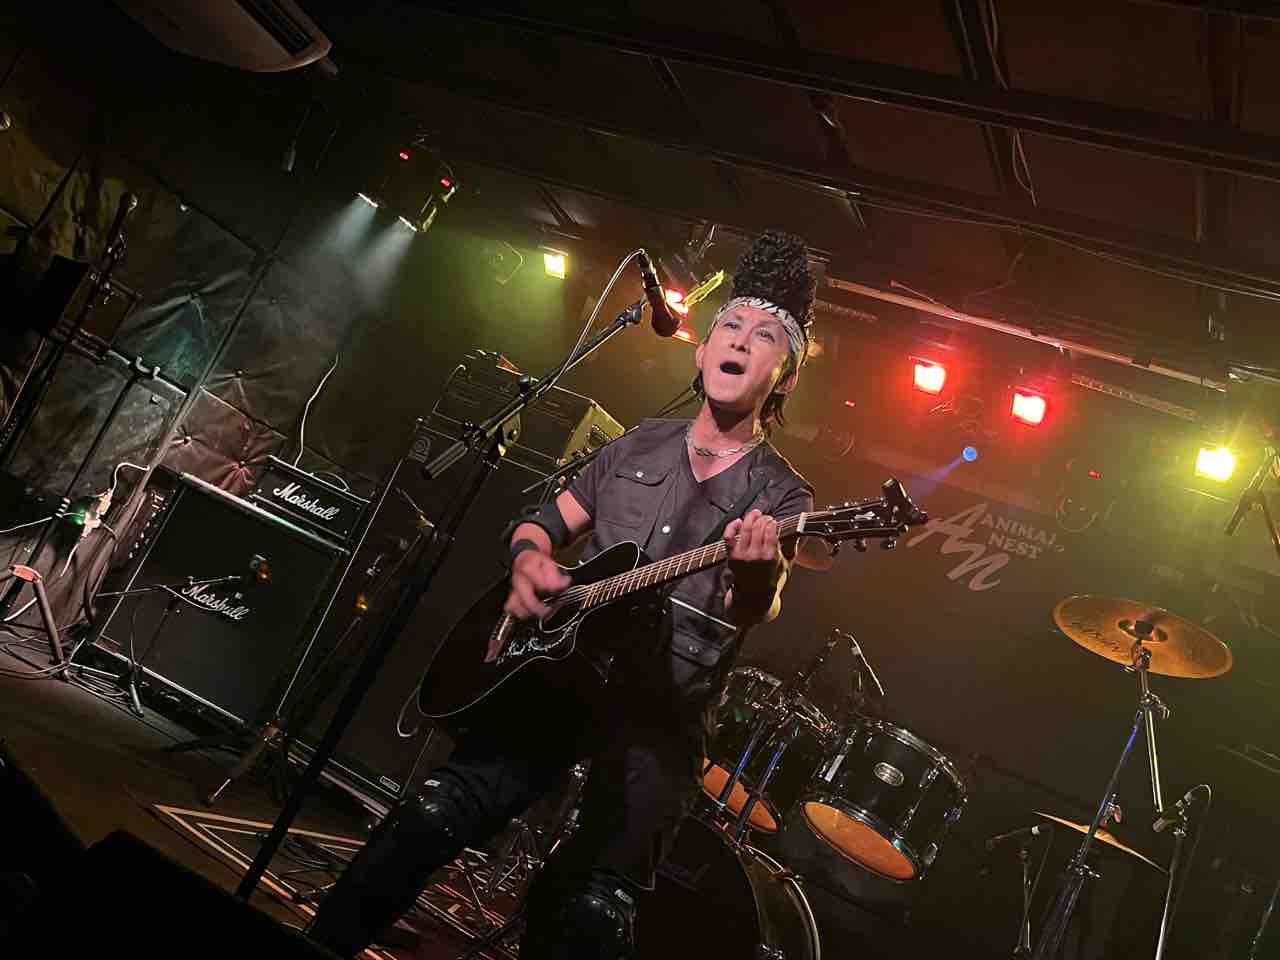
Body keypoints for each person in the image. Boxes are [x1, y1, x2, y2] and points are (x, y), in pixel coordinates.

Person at [307, 230, 817, 958]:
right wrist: (529, 564)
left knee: (591, 913)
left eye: (764, 335)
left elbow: (754, 610)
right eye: (730, 325)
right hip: (561, 676)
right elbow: (541, 525)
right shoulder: (637, 444)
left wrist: (760, 573)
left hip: (662, 714)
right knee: (435, 811)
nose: (740, 339)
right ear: (702, 351)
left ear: (785, 376)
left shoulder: (781, 494)